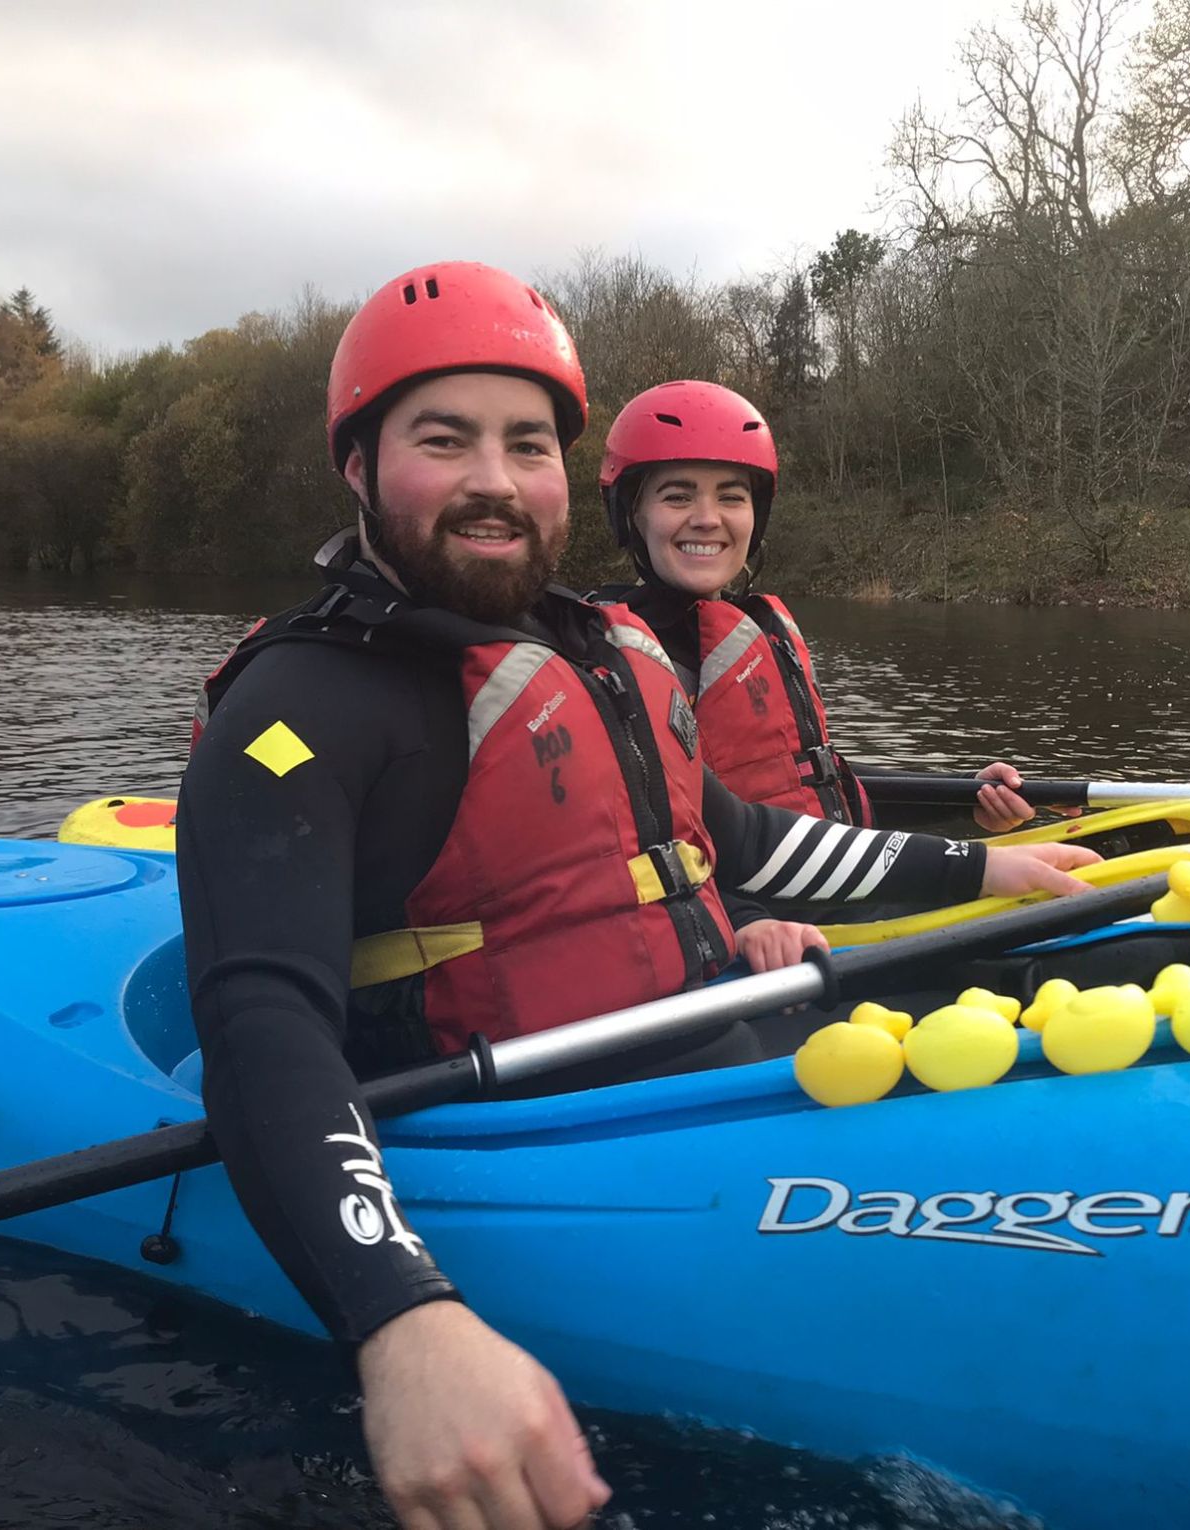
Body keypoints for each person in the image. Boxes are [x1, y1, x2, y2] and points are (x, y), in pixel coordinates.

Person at [176, 260, 1101, 1530]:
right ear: (360, 465)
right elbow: (260, 1023)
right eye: (444, 440)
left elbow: (743, 843)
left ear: (565, 472)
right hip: (528, 1130)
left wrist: (988, 868)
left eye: (528, 444)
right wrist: (401, 1320)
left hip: (704, 1053)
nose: (496, 480)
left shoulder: (597, 652)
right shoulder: (298, 709)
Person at [595, 379, 1035, 843]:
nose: (708, 518)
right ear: (631, 514)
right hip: (734, 910)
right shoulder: (605, 664)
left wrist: (966, 796)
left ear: (755, 517)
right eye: (678, 496)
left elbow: (814, 782)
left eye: (731, 497)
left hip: (807, 888)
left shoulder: (756, 635)